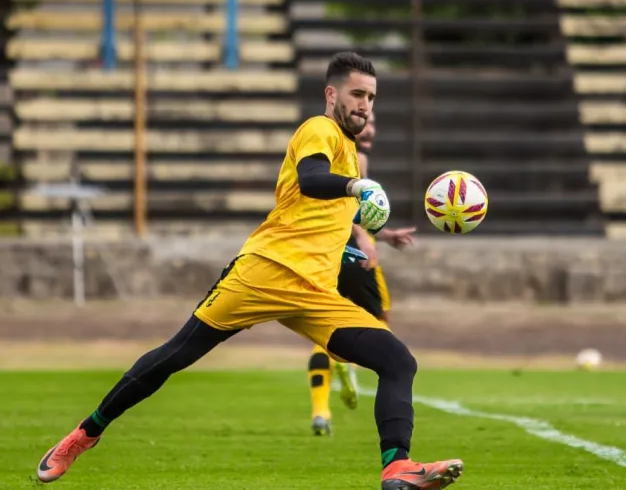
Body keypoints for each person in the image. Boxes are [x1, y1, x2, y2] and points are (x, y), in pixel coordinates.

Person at [35, 52, 464, 490]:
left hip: (314, 293)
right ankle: (84, 435)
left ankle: (396, 468)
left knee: (397, 361)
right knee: (173, 357)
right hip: (262, 274)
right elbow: (313, 179)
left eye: (371, 97)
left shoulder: (351, 153)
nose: (364, 105)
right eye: (357, 94)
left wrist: (347, 250)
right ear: (331, 94)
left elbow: (316, 221)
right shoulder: (319, 130)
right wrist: (357, 187)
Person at [308, 111, 417, 436]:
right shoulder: (355, 159)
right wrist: (363, 240)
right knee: (378, 324)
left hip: (324, 252)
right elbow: (349, 214)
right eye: (367, 122)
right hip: (354, 254)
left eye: (374, 123)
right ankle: (346, 361)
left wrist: (386, 235)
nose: (371, 129)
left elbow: (346, 211)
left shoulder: (329, 150)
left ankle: (321, 412)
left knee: (326, 325)